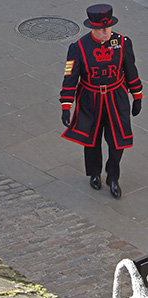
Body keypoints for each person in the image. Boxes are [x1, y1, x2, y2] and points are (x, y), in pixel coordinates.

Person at [59, 4, 143, 199]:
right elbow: (70, 78)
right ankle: (94, 173)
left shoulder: (123, 43)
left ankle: (113, 177)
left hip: (116, 97)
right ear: (92, 28)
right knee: (91, 139)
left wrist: (137, 96)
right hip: (90, 99)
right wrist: (66, 105)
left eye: (108, 27)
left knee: (118, 141)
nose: (106, 32)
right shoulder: (78, 48)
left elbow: (131, 70)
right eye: (101, 29)